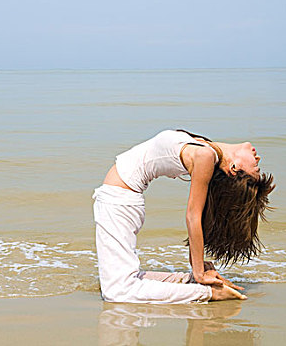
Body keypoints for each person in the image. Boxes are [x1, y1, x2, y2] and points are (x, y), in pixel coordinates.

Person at [93, 129, 274, 303]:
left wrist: (199, 272)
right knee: (125, 281)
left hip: (118, 201)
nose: (257, 158)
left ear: (234, 168)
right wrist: (198, 269)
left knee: (117, 292)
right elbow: (196, 216)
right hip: (121, 200)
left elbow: (193, 216)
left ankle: (207, 293)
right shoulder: (206, 149)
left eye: (255, 167)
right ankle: (190, 283)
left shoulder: (206, 156)